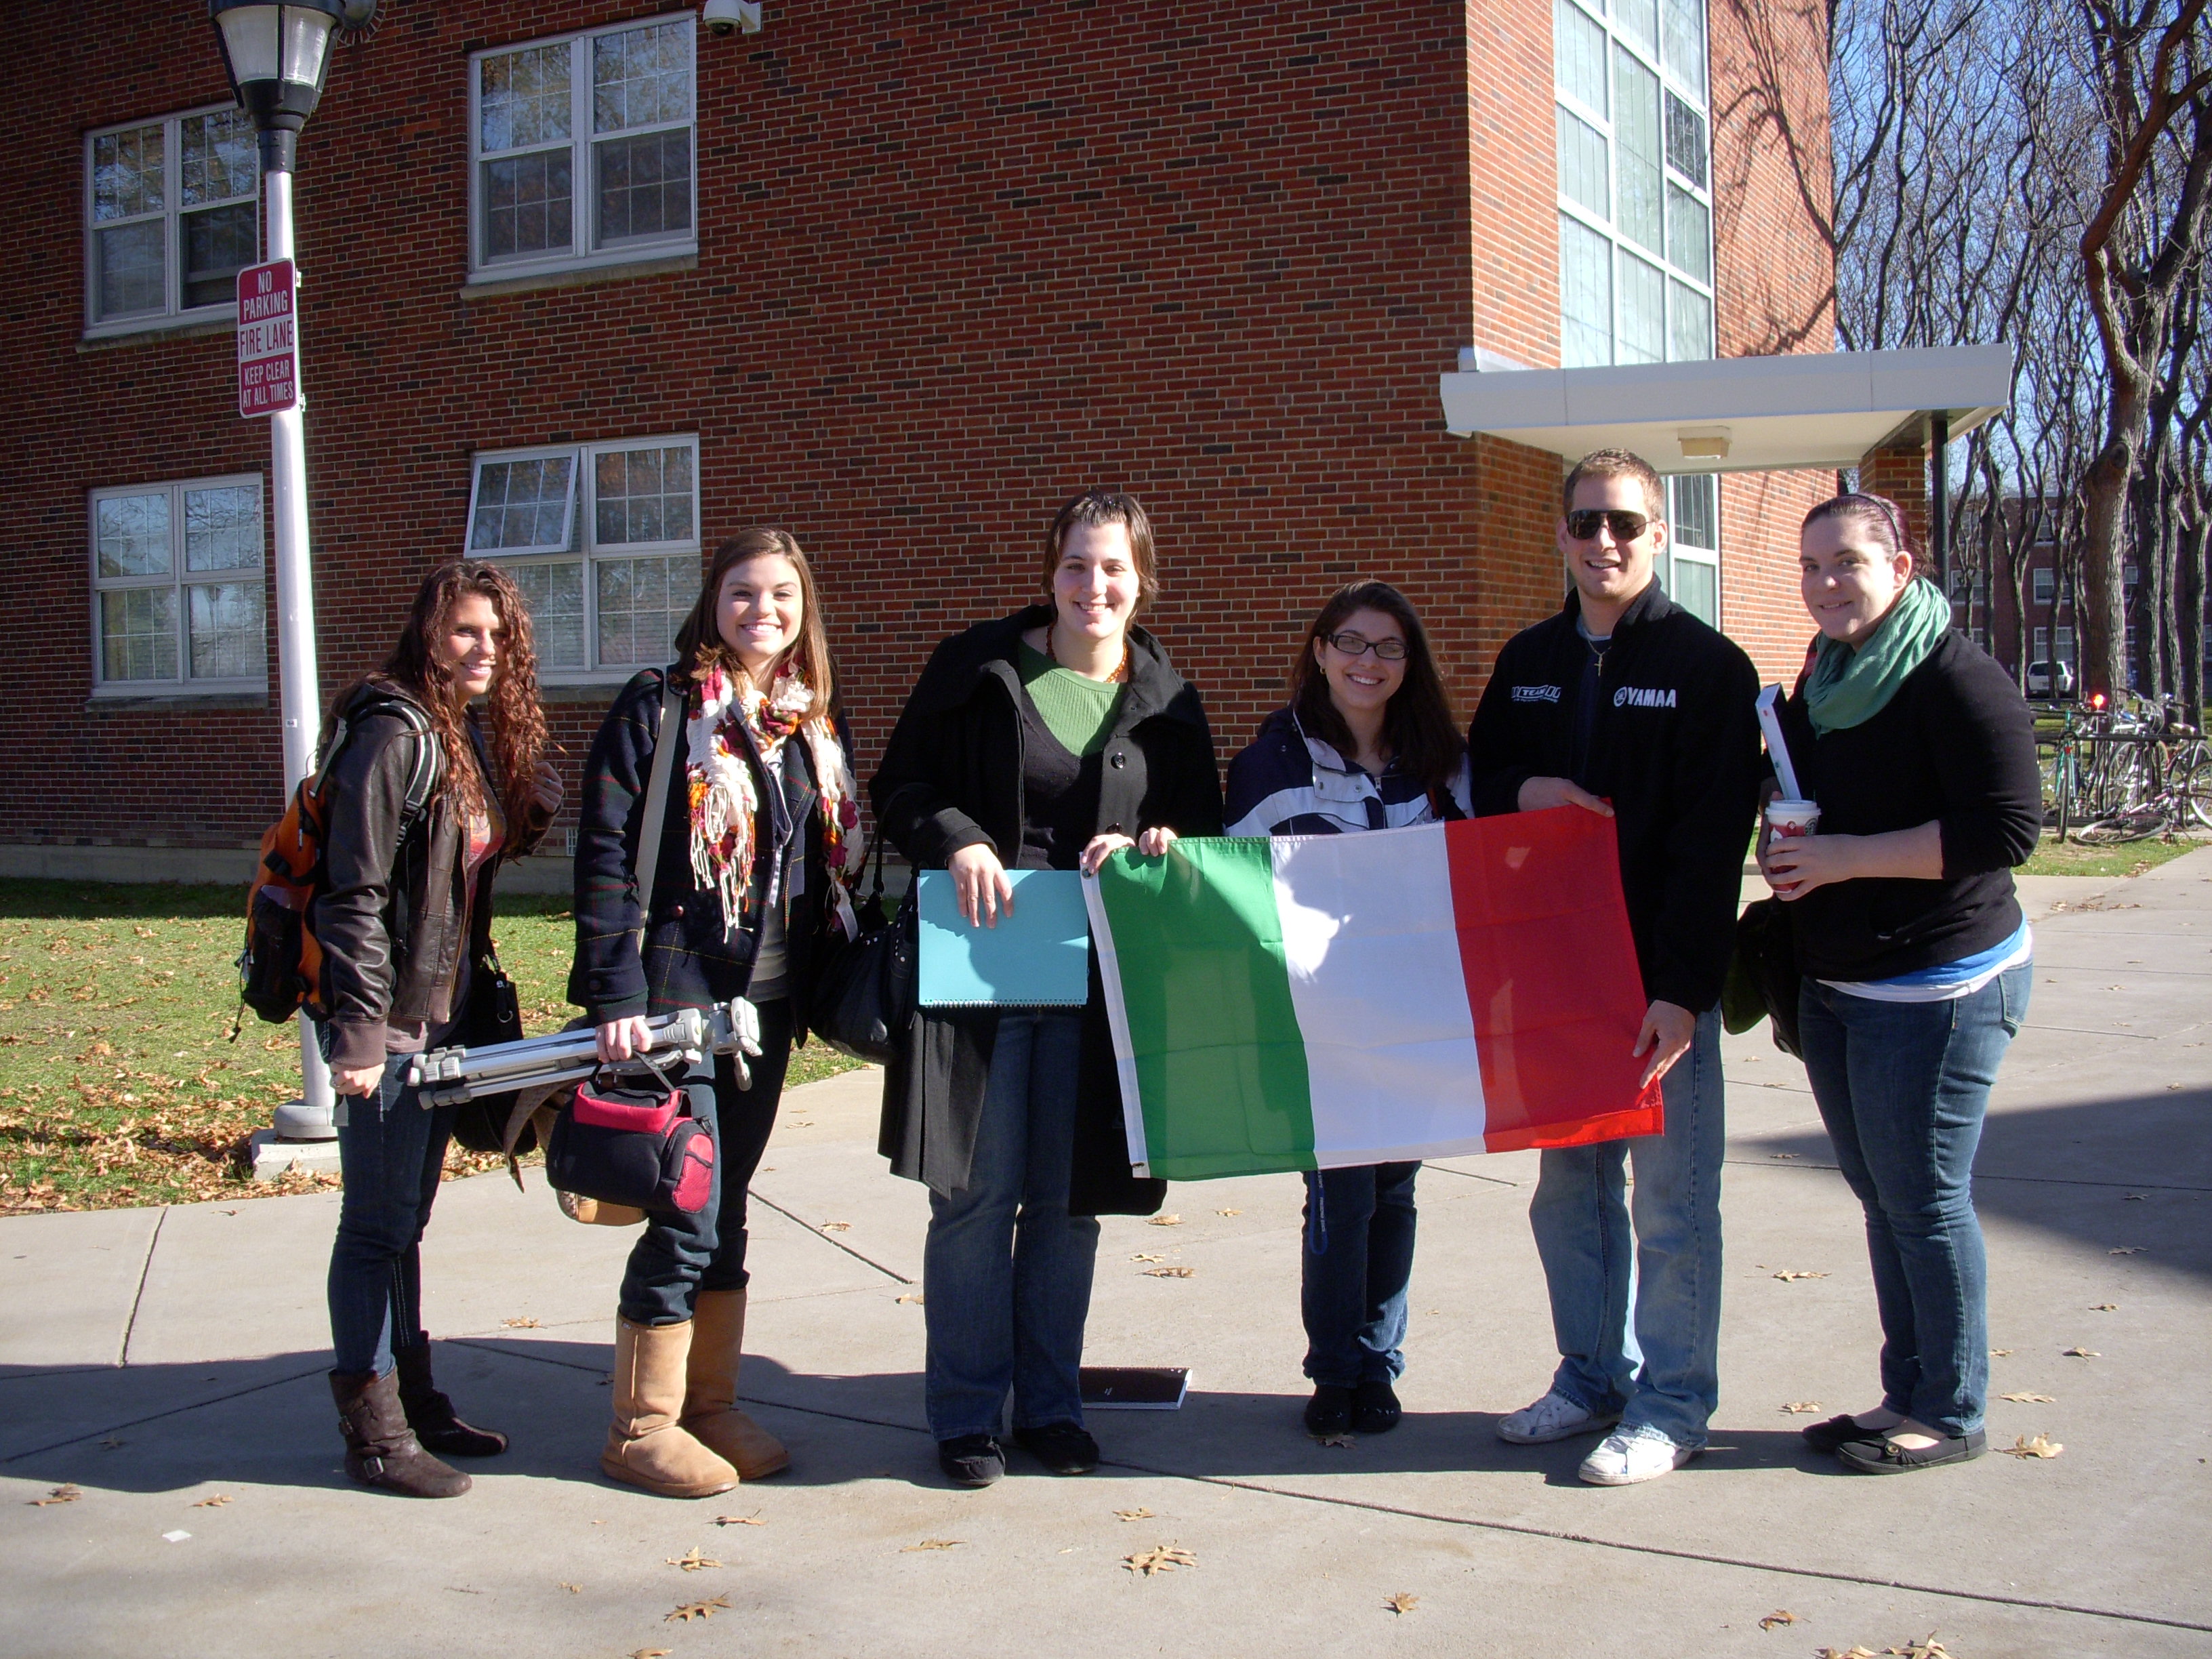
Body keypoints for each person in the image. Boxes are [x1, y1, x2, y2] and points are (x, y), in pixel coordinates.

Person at [872, 488, 1223, 1488]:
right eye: (1076, 565)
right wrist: (959, 838)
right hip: (985, 948)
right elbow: (898, 787)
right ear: (1049, 574)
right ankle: (969, 1418)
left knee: (1069, 1203)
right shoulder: (976, 667)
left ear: (1141, 579)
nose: (1093, 586)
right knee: (975, 1199)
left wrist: (1162, 846)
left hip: (1104, 965)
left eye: (1113, 568)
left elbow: (1203, 829)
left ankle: (1053, 1410)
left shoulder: (1169, 696)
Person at [1466, 447, 1761, 1486]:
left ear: (1661, 535)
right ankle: (1591, 1377)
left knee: (1671, 1202)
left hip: (1655, 989)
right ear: (1560, 532)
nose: (1605, 542)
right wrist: (1529, 785)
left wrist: (1681, 994)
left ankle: (1672, 1405)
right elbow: (1482, 781)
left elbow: (1711, 846)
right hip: (1554, 980)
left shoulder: (1709, 669)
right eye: (1588, 522)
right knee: (1571, 1194)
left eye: (1626, 524)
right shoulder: (1528, 657)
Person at [572, 528, 865, 1498]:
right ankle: (640, 1425)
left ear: (803, 609)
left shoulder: (810, 722)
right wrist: (614, 995)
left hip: (768, 1004)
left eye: (783, 595)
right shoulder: (661, 709)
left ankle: (709, 1402)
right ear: (714, 601)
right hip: (675, 997)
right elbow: (608, 855)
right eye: (744, 593)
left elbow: (829, 861)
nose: (763, 612)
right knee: (686, 1204)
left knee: (728, 1202)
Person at [1761, 493, 2040, 1474]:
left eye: (1848, 562)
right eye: (1811, 566)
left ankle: (1953, 1409)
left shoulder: (1955, 677)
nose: (1827, 584)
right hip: (1842, 980)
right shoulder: (1827, 676)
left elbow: (2005, 833)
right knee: (1882, 1196)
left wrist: (1838, 858)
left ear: (1901, 566)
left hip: (1943, 983)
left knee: (1923, 1199)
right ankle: (1906, 1392)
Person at [318, 560, 560, 1498]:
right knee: (375, 1227)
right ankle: (374, 1437)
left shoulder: (455, 733)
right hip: (392, 1020)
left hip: (441, 1011)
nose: (484, 650)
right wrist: (359, 1034)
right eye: (466, 632)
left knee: (404, 1223)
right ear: (428, 630)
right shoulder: (391, 732)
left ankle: (415, 1405)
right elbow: (355, 895)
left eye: (498, 637)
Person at [1223, 581, 1472, 1438]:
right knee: (1340, 1197)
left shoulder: (1440, 763)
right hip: (1318, 1024)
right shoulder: (1269, 766)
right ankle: (1334, 1371)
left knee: (1396, 1193)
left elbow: (1474, 874)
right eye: (1352, 643)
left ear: (1411, 665)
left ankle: (1380, 1366)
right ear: (1321, 651)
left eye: (1389, 648)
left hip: (1414, 1015)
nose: (1369, 662)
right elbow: (1239, 898)